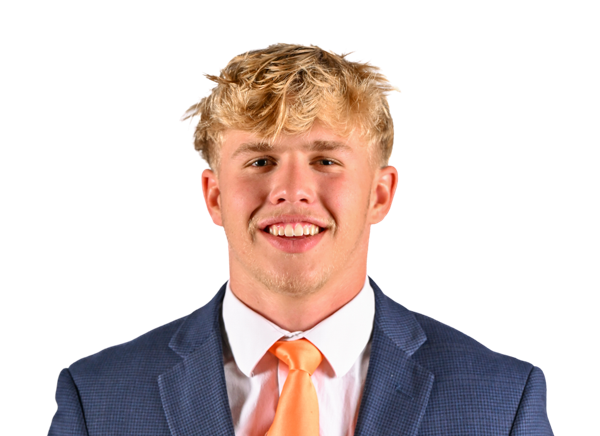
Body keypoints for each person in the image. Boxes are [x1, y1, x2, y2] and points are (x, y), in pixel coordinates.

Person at [48, 43, 553, 436]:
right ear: (214, 196)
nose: (291, 191)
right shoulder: (97, 397)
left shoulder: (502, 399)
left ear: (380, 194)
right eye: (260, 161)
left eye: (326, 160)